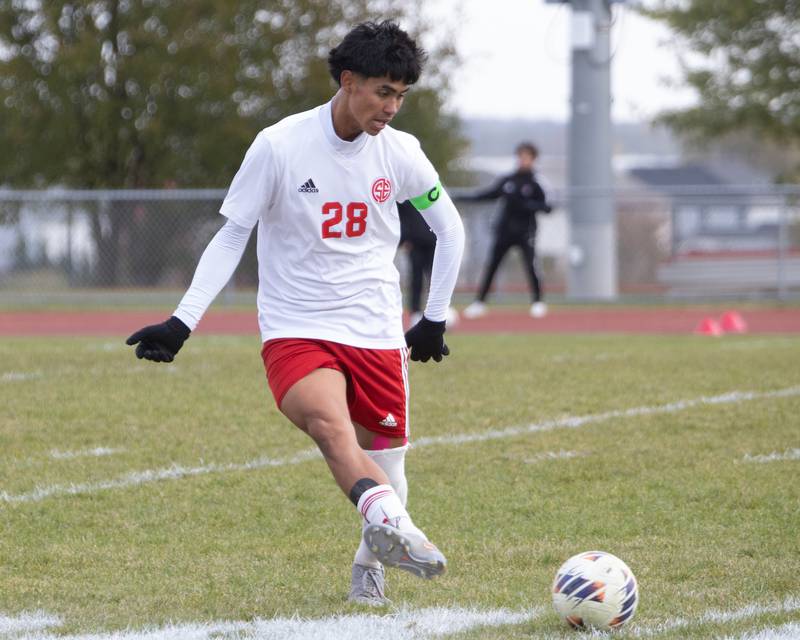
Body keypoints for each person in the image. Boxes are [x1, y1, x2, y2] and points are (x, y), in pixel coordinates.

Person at [125, 21, 465, 606]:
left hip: (376, 331)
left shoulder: (401, 152)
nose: (392, 106)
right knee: (330, 428)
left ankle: (371, 560)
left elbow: (449, 228)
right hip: (297, 329)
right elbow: (233, 235)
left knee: (390, 467)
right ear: (348, 79)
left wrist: (432, 317)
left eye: (401, 95)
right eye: (383, 91)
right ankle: (402, 533)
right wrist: (182, 321)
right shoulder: (280, 145)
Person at [462, 142, 551, 319]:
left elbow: (547, 207)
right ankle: (479, 303)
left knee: (530, 265)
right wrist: (463, 197)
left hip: (526, 232)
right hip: (504, 231)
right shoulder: (508, 180)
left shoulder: (537, 182)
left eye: (526, 157)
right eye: (520, 156)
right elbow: (489, 194)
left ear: (533, 159)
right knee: (492, 265)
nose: (522, 160)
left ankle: (537, 302)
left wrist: (527, 205)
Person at [398, 200, 459, 328]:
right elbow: (401, 218)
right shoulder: (404, 198)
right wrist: (404, 239)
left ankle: (439, 312)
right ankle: (415, 312)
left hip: (433, 242)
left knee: (436, 278)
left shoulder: (431, 193)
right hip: (414, 243)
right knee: (416, 279)